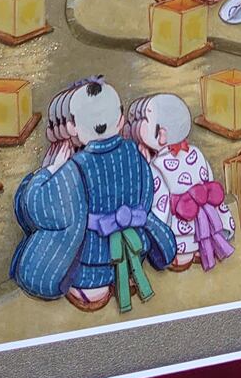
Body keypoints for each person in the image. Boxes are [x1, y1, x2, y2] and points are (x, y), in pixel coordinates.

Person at [9, 79, 176, 314]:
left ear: (73, 128)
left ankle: (96, 286)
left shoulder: (75, 167)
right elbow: (146, 195)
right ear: (120, 120)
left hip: (93, 262)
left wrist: (48, 170)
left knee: (75, 253)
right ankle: (128, 275)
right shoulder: (134, 153)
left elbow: (40, 208)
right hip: (133, 249)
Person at [126, 93, 236, 271]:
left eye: (144, 120)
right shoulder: (195, 152)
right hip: (206, 222)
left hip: (180, 230)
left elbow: (159, 204)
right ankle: (202, 248)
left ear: (162, 134)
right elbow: (208, 179)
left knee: (176, 242)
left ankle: (182, 253)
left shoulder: (156, 165)